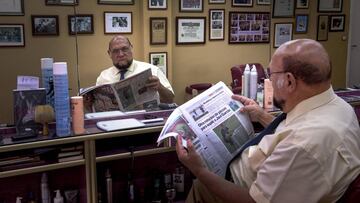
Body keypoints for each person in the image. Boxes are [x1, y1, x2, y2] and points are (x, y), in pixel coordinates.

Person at [176, 39, 360, 203]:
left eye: (270, 74)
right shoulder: (340, 108)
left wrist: (200, 171)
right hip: (261, 171)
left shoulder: (302, 146)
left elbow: (253, 200)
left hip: (241, 187)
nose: (268, 80)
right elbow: (293, 130)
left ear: (289, 81)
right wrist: (261, 115)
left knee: (201, 186)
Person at [97, 35, 174, 103]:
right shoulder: (103, 77)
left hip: (146, 118)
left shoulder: (152, 70)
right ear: (109, 53)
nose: (121, 54)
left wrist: (160, 87)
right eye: (115, 51)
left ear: (131, 48)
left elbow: (170, 100)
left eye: (124, 49)